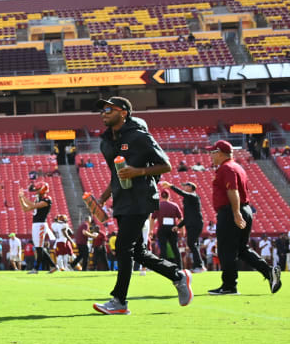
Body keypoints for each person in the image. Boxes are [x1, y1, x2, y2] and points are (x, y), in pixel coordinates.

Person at [88, 98, 191, 314]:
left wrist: (138, 171)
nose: (103, 113)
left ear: (123, 112)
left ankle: (119, 301)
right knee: (137, 251)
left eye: (108, 109)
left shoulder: (139, 136)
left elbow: (166, 165)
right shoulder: (106, 141)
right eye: (101, 111)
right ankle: (177, 275)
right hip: (121, 200)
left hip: (141, 197)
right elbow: (116, 174)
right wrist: (103, 197)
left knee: (123, 246)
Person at [206, 140, 280, 296]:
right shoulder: (237, 166)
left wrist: (235, 212)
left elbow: (232, 191)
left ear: (219, 153)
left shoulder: (226, 168)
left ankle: (229, 286)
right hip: (243, 209)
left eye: (213, 152)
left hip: (231, 211)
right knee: (241, 249)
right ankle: (269, 272)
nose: (211, 155)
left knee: (226, 250)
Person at [161, 179, 206, 272]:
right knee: (193, 244)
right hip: (191, 224)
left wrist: (171, 186)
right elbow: (187, 217)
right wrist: (178, 226)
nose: (184, 187)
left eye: (185, 186)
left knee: (191, 243)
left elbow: (182, 193)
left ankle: (200, 266)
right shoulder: (187, 199)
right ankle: (199, 266)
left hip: (195, 224)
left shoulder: (194, 196)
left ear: (190, 187)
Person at [17, 185, 56, 273]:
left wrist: (24, 196)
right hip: (36, 225)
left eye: (38, 189)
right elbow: (25, 209)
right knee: (39, 247)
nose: (36, 191)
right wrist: (21, 198)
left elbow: (33, 205)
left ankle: (36, 268)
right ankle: (53, 266)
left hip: (41, 224)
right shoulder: (38, 199)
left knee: (39, 247)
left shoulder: (47, 199)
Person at [149, 191, 184, 271]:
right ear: (169, 196)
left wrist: (151, 230)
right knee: (175, 247)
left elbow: (152, 218)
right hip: (173, 228)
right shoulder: (174, 205)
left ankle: (165, 267)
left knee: (163, 248)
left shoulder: (158, 205)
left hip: (162, 228)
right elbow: (180, 219)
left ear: (161, 196)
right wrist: (182, 229)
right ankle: (179, 266)